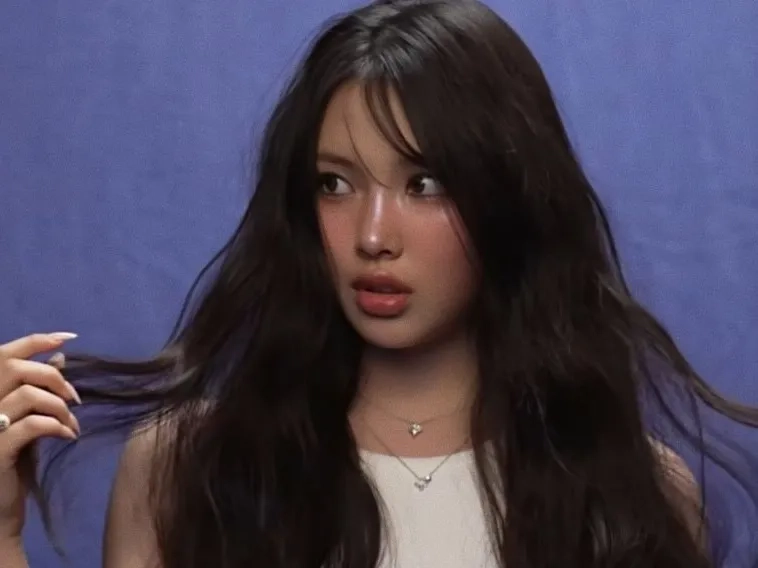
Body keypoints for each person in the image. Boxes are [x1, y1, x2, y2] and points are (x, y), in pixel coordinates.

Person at [0, 1, 756, 567]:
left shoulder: (634, 496)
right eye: (335, 183)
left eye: (424, 184)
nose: (372, 235)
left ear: (509, 197)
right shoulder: (187, 467)